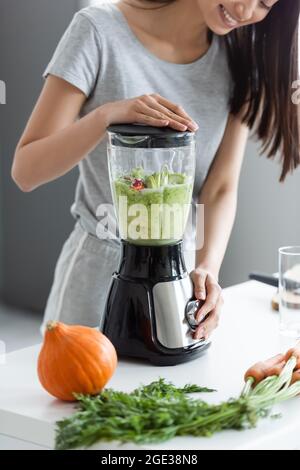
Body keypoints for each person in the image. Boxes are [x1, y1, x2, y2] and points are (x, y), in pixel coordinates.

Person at [12, 0, 300, 341]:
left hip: (180, 286)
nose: (244, 9)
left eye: (264, 4)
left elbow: (220, 187)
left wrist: (207, 268)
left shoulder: (241, 63)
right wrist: (106, 117)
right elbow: (26, 171)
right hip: (95, 277)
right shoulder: (98, 29)